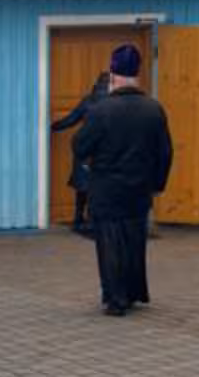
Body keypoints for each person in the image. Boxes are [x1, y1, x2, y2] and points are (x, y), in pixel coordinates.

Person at [72, 44, 172, 315]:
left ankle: (116, 300)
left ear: (113, 75)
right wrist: (157, 184)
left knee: (110, 244)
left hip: (106, 189)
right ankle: (133, 292)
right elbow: (165, 152)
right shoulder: (154, 109)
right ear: (137, 74)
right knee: (134, 242)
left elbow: (80, 145)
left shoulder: (101, 110)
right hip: (139, 189)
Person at [50, 69, 109, 234]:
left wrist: (52, 127)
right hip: (105, 150)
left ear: (96, 84)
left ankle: (78, 219)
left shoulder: (88, 101)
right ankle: (93, 220)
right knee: (100, 186)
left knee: (82, 185)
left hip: (85, 147)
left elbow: (71, 120)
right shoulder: (116, 103)